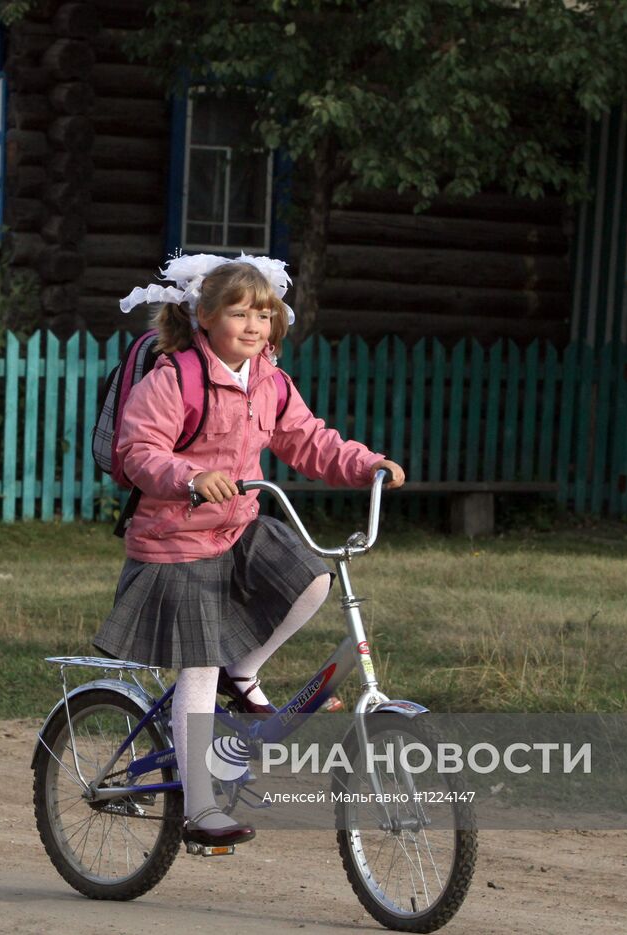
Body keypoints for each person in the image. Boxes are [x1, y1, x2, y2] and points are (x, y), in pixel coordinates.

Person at [92, 254, 406, 848]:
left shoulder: (268, 381)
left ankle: (246, 669)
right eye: (239, 313)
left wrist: (367, 465)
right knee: (199, 661)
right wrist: (187, 477)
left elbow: (307, 439)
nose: (254, 324)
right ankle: (199, 807)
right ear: (204, 318)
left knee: (314, 580)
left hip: (236, 527)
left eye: (264, 313)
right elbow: (138, 450)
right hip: (175, 538)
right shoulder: (174, 377)